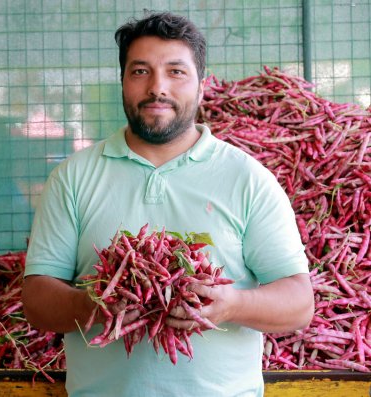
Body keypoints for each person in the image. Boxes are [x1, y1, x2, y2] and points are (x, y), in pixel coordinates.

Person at [22, 11, 314, 397]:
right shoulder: (73, 178)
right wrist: (97, 303)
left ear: (202, 85)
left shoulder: (248, 178)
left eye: (176, 72)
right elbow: (37, 301)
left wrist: (229, 304)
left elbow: (299, 303)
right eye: (140, 71)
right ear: (123, 82)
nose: (157, 87)